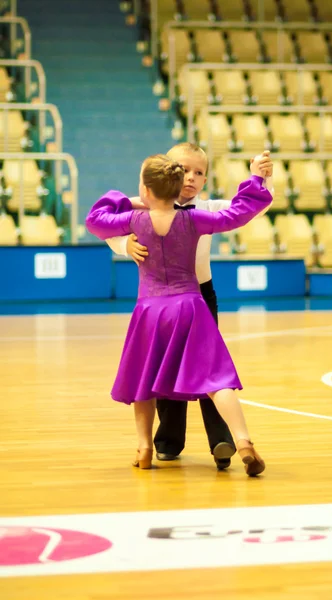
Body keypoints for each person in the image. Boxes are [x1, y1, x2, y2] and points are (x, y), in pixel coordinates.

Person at [86, 153, 272, 476]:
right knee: (217, 378)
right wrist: (255, 179)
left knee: (145, 379)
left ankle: (145, 447)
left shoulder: (133, 221)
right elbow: (239, 213)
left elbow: (95, 219)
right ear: (177, 188)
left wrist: (125, 199)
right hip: (190, 305)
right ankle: (243, 441)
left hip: (149, 310)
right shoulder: (194, 219)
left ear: (145, 191)